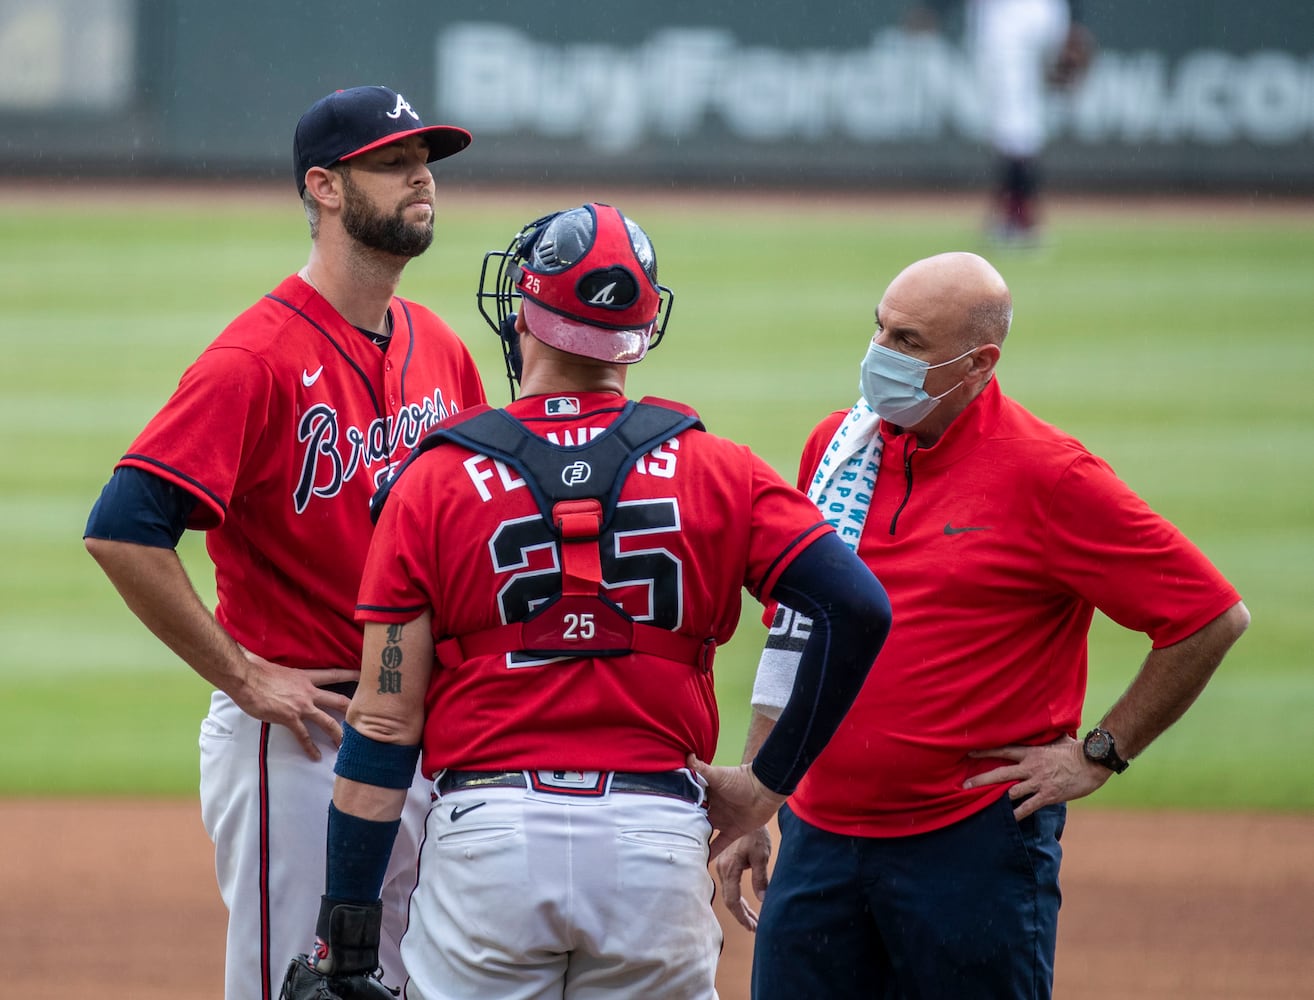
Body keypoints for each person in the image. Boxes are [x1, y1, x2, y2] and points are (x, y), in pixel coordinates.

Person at [276, 202, 893, 1000]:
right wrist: (766, 784)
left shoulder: (428, 482)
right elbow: (860, 609)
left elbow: (385, 722)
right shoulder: (719, 469)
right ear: (642, 330)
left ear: (524, 315)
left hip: (489, 852)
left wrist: (348, 936)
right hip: (654, 847)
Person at [716, 251, 1249, 999]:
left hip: (966, 851)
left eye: (907, 343)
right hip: (820, 839)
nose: (878, 356)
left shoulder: (1050, 476)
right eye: (879, 330)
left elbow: (1210, 616)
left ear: (979, 363)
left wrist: (1098, 753)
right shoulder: (837, 450)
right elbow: (794, 636)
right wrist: (755, 793)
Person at [83, 85, 486, 1000]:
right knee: (303, 992)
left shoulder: (439, 347)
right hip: (307, 742)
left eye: (424, 160)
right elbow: (123, 530)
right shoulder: (254, 361)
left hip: (425, 734)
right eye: (392, 162)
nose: (421, 177)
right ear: (326, 187)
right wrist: (244, 675)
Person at [907, 0, 1096, 244]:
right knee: (1022, 119)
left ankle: (1019, 216)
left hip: (1009, 18)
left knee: (1013, 124)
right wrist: (1075, 19)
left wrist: (935, 9)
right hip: (1046, 12)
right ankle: (1014, 211)